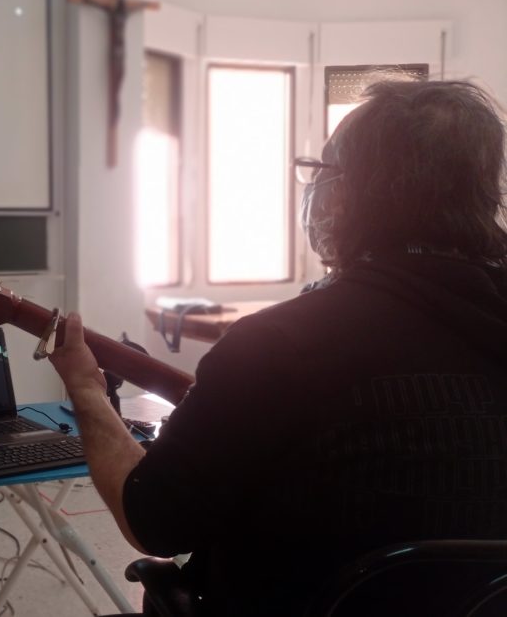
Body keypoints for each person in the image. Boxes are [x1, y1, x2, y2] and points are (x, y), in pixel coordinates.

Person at [49, 80, 507, 616]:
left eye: (324, 171)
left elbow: (153, 521)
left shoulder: (278, 344)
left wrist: (85, 387)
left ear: (345, 194)